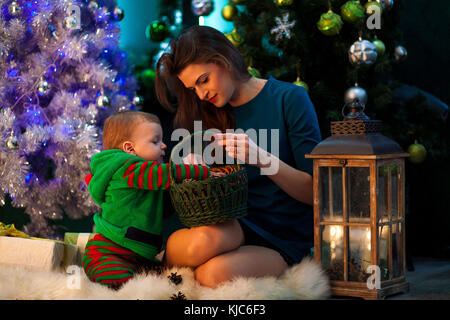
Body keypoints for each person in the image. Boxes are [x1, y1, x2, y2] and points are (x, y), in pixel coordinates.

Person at [155, 26, 322, 288]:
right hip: (230, 226)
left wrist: (262, 158)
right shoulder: (205, 112)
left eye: (203, 80)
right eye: (192, 88)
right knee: (200, 243)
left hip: (281, 236)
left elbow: (316, 192)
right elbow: (208, 194)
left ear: (224, 60)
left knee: (211, 275)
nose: (201, 94)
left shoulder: (289, 98)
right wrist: (193, 174)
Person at [83, 110, 212, 290]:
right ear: (130, 149)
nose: (164, 146)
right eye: (155, 141)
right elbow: (164, 174)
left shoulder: (146, 179)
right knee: (123, 283)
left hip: (138, 256)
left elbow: (163, 211)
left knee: (158, 276)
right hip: (107, 254)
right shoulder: (126, 167)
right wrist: (197, 171)